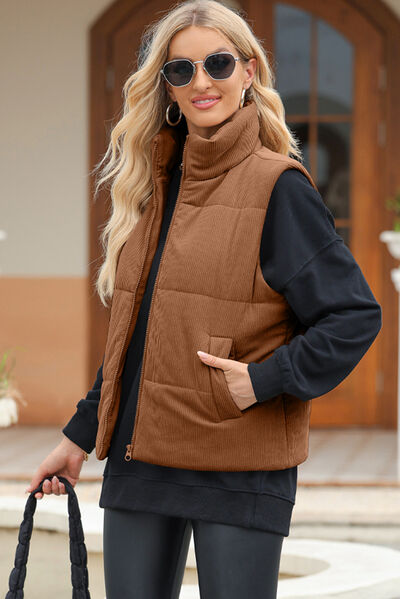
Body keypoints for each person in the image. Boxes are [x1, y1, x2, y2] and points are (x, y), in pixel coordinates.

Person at [25, 1, 382, 598]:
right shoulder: (152, 187)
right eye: (181, 69)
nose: (201, 82)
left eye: (218, 63)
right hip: (142, 461)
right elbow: (136, 335)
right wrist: (79, 436)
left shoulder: (279, 188)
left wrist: (265, 380)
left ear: (248, 72)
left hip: (239, 465)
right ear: (167, 86)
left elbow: (353, 316)